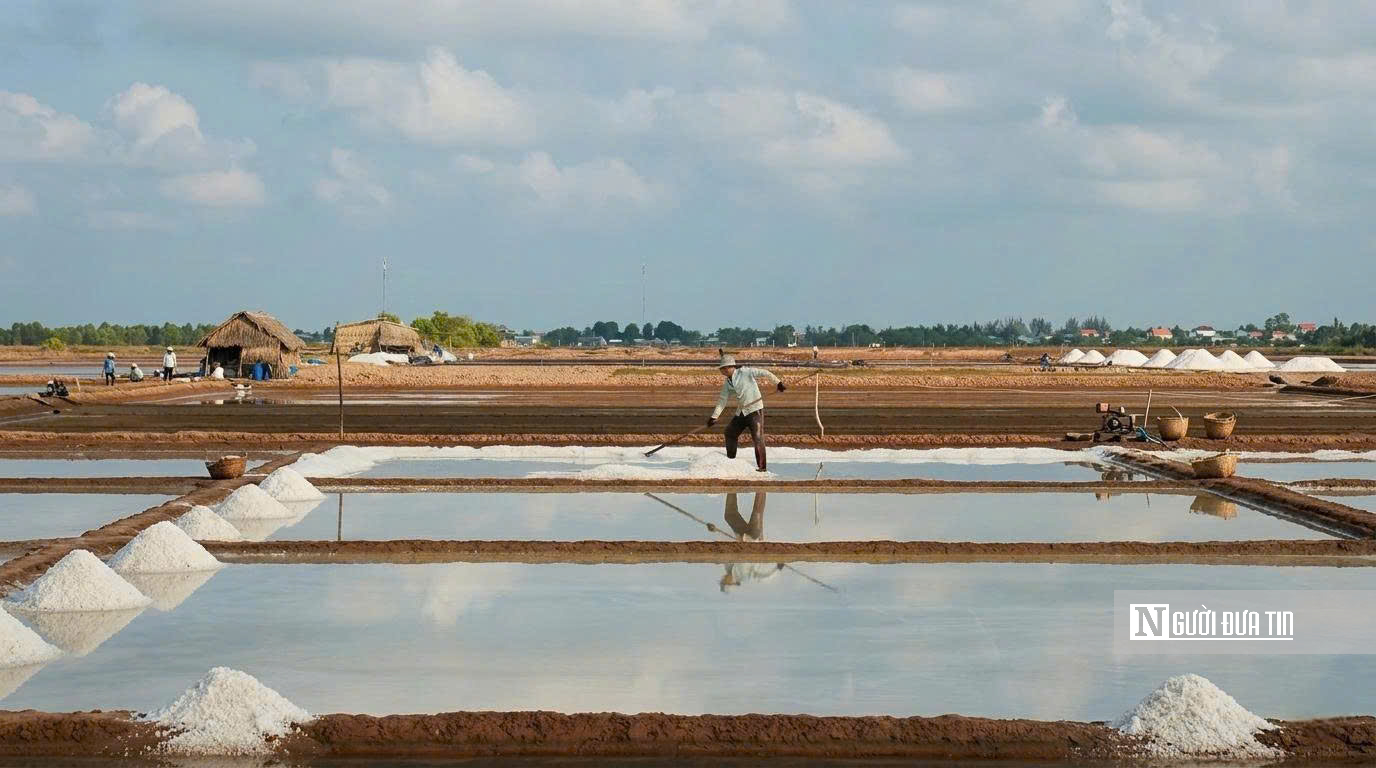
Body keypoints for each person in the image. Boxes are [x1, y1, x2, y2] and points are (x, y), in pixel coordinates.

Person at [707, 351, 784, 472]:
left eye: (723, 368)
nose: (722, 371)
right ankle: (730, 460)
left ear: (730, 367)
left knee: (758, 438)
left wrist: (778, 383)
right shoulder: (727, 383)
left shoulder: (745, 372)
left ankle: (762, 468)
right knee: (730, 432)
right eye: (721, 369)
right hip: (742, 412)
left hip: (755, 410)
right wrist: (714, 417)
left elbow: (764, 372)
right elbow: (722, 400)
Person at [718, 492, 785, 592]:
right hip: (753, 537)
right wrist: (777, 568)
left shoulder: (728, 567)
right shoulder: (744, 576)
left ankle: (732, 486)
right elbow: (762, 576)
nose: (723, 578)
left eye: (722, 581)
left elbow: (731, 550)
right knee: (757, 512)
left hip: (742, 535)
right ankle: (761, 487)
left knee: (729, 516)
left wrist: (716, 530)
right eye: (724, 581)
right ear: (732, 583)